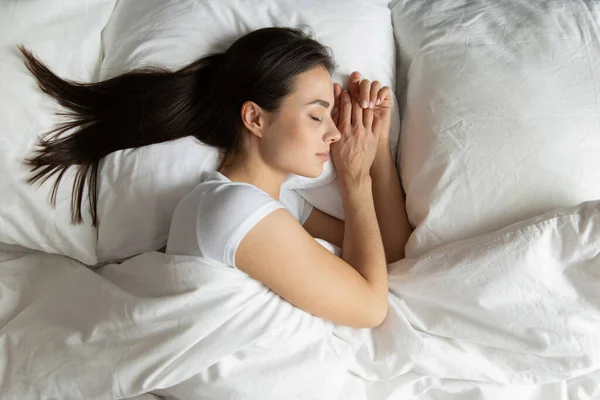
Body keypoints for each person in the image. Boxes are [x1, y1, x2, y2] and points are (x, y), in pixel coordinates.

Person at [19, 27, 412, 329]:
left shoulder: (279, 206)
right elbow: (371, 308)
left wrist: (376, 149)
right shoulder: (236, 210)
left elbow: (390, 254)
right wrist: (353, 179)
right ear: (255, 118)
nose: (335, 133)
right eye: (316, 115)